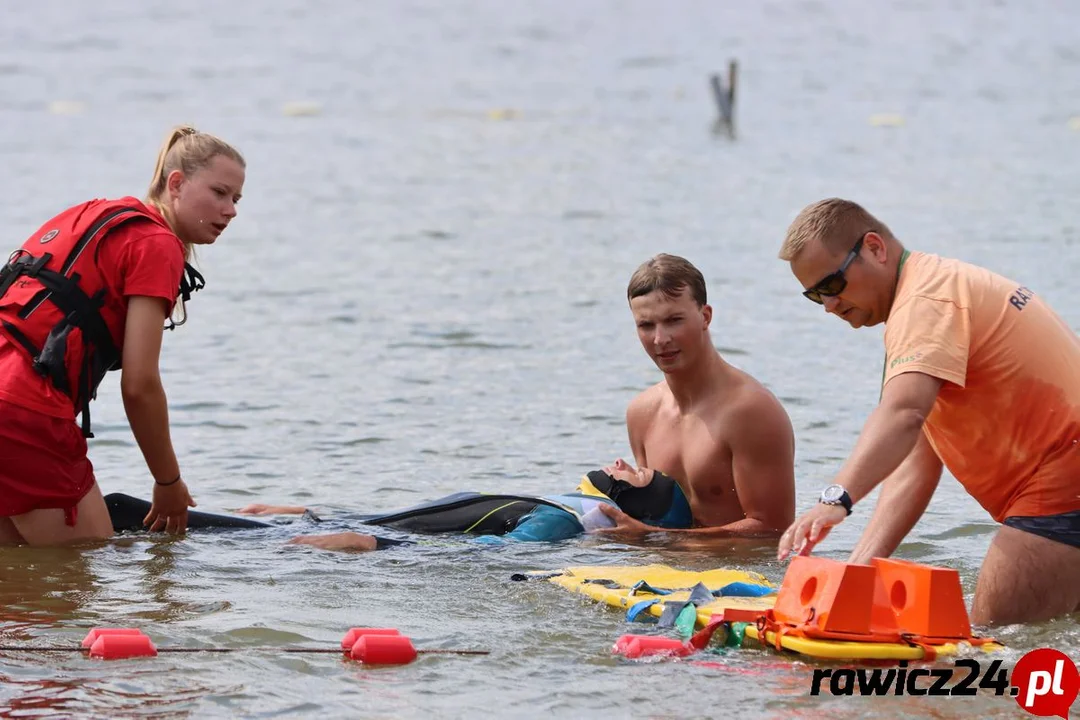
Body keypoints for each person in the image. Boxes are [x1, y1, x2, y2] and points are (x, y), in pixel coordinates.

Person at [775, 197, 1080, 626]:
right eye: (814, 296)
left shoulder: (925, 301)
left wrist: (835, 498)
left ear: (875, 248)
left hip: (1061, 486)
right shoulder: (928, 296)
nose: (829, 306)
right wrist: (857, 568)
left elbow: (903, 414)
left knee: (984, 660)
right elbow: (916, 458)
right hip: (1061, 483)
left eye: (832, 285)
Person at [0, 125, 246, 547]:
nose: (231, 210)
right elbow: (140, 385)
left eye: (236, 199)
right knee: (85, 569)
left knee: (21, 582)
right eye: (220, 193)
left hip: (13, 398)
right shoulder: (156, 244)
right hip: (24, 413)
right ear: (176, 184)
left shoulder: (93, 212)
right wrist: (168, 482)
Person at [594, 253, 796, 537]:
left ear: (705, 316)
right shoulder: (641, 413)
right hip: (666, 572)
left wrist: (653, 538)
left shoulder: (751, 411)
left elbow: (773, 531)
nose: (660, 339)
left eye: (674, 320)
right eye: (646, 325)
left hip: (740, 576)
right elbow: (654, 513)